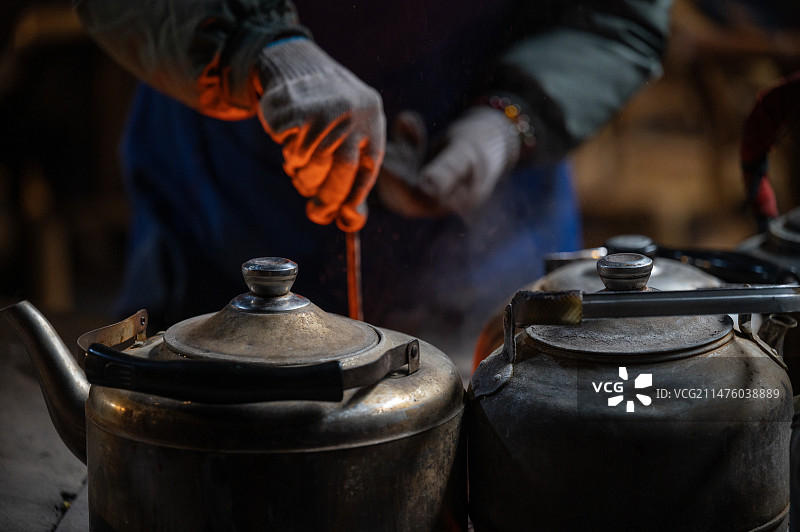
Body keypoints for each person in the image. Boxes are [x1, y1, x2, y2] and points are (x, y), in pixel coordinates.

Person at [72, 0, 672, 372]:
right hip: (228, 177)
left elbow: (618, 15)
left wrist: (510, 120)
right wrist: (257, 48)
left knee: (504, 408)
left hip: (492, 218)